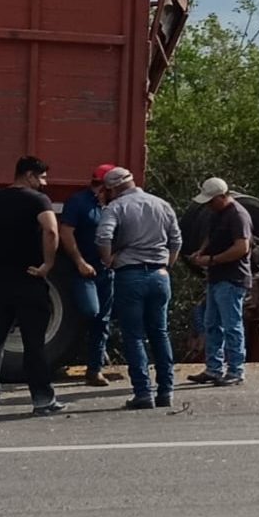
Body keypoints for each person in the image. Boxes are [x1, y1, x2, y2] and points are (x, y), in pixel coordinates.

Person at [0, 155, 67, 416]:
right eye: (41, 177)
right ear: (29, 175)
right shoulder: (38, 200)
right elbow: (51, 231)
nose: (44, 183)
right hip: (29, 277)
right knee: (34, 343)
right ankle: (42, 399)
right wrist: (48, 264)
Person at [96, 167, 183, 410]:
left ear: (112, 188)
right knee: (160, 333)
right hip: (159, 275)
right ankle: (166, 391)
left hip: (130, 274)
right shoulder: (161, 204)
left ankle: (143, 392)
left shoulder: (116, 207)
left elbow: (103, 237)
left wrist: (107, 259)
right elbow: (176, 239)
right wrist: (167, 265)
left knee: (134, 336)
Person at [187, 178, 253, 387]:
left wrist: (213, 259)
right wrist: (202, 251)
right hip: (216, 277)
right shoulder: (216, 213)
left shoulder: (238, 215)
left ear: (222, 197)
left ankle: (236, 370)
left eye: (211, 201)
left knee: (231, 325)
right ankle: (214, 368)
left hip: (232, 278)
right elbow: (211, 236)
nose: (208, 205)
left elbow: (242, 247)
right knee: (211, 324)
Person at [60, 163, 116, 386]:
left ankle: (94, 369)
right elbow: (66, 233)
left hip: (107, 270)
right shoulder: (79, 202)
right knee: (91, 311)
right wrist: (79, 262)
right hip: (85, 269)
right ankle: (86, 350)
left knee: (103, 319)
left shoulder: (115, 205)